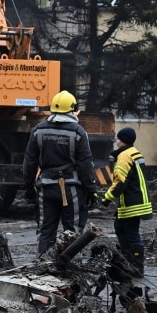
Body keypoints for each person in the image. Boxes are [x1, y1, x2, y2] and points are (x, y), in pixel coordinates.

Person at [23, 90, 98, 255]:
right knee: (73, 231)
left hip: (46, 188)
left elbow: (29, 162)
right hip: (72, 190)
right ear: (72, 109)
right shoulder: (78, 131)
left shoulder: (38, 130)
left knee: (45, 230)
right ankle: (70, 267)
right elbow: (86, 164)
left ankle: (43, 265)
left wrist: (29, 188)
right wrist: (92, 190)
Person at [101, 127, 152, 277]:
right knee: (121, 228)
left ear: (123, 140)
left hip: (132, 202)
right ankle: (127, 262)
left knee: (130, 232)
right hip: (137, 200)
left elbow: (120, 182)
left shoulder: (124, 156)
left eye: (118, 139)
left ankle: (134, 267)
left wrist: (107, 198)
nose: (116, 142)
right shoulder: (135, 153)